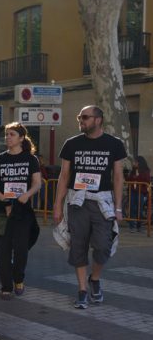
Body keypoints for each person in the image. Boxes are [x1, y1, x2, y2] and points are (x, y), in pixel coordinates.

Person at [53, 105, 127, 309]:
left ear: (98, 120)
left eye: (85, 117)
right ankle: (82, 290)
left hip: (102, 201)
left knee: (103, 245)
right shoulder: (71, 144)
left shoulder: (114, 144)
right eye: (79, 117)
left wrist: (119, 207)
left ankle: (94, 278)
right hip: (77, 201)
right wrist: (57, 206)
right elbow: (64, 176)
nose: (81, 121)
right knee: (78, 246)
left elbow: (119, 176)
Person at [0, 123, 41, 300]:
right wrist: (3, 199)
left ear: (21, 138)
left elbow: (37, 183)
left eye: (12, 134)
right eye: (6, 135)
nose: (7, 138)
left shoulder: (31, 159)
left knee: (21, 248)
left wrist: (27, 195)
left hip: (22, 211)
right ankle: (6, 286)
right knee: (3, 249)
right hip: (2, 210)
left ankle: (19, 279)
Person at [126, 156, 150, 232]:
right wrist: (127, 175)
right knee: (132, 208)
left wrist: (137, 176)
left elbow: (146, 180)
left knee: (139, 209)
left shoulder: (145, 171)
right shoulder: (133, 171)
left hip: (141, 192)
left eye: (135, 162)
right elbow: (129, 179)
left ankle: (139, 226)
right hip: (133, 191)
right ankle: (132, 226)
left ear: (139, 163)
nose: (134, 163)